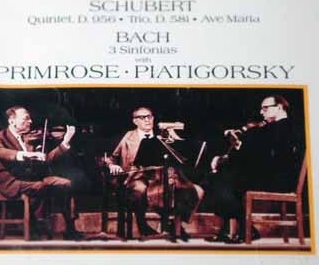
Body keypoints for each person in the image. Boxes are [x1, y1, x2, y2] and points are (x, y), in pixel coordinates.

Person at [208, 95, 302, 243]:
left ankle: (243, 230)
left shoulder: (284, 127)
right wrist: (230, 156)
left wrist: (236, 150)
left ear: (279, 107)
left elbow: (265, 157)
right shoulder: (275, 127)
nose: (261, 112)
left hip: (279, 180)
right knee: (223, 178)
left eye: (265, 108)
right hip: (271, 176)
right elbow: (256, 155)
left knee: (224, 179)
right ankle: (235, 230)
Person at [106, 107, 203, 239]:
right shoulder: (129, 136)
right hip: (136, 177)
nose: (147, 120)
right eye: (142, 117)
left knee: (195, 190)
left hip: (161, 177)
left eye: (150, 116)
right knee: (140, 189)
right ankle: (143, 225)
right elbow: (112, 158)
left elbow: (178, 158)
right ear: (135, 121)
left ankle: (176, 224)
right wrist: (112, 165)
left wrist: (174, 141)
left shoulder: (162, 135)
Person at [0, 106, 83, 240]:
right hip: (12, 181)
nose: (30, 121)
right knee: (41, 186)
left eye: (30, 118)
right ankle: (38, 225)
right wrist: (24, 154)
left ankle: (70, 228)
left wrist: (64, 142)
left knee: (65, 183)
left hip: (31, 179)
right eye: (26, 118)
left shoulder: (29, 139)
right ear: (12, 121)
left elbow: (46, 159)